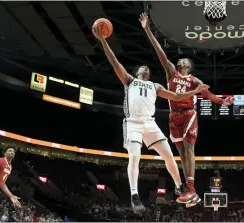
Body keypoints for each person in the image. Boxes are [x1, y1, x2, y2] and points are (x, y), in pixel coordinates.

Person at [92, 24, 209, 214]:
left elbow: (176, 97)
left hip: (150, 123)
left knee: (169, 155)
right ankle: (135, 196)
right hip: (133, 124)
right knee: (135, 156)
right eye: (142, 67)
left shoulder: (155, 86)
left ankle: (180, 187)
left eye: (147, 67)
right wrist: (103, 41)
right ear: (138, 72)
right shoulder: (129, 80)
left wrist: (195, 91)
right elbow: (114, 62)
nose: (146, 67)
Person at [140, 12, 234, 206]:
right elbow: (160, 53)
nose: (181, 60)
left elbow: (209, 95)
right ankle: (190, 192)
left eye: (185, 60)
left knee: (189, 148)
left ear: (189, 66)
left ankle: (191, 188)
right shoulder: (171, 72)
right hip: (174, 117)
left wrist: (223, 102)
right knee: (181, 153)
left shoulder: (195, 80)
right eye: (180, 59)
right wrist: (147, 30)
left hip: (189, 114)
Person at [0, 147, 21, 221]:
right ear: (5, 153)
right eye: (10, 151)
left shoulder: (10, 167)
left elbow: (2, 183)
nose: (12, 152)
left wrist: (11, 196)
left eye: (13, 151)